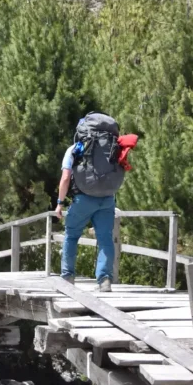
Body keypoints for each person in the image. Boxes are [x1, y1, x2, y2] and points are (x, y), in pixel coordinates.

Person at [55, 113, 125, 292]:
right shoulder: (111, 147)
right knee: (105, 239)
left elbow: (65, 178)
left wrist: (60, 203)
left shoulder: (75, 148)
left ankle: (68, 278)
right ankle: (104, 280)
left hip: (83, 198)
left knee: (71, 235)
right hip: (107, 198)